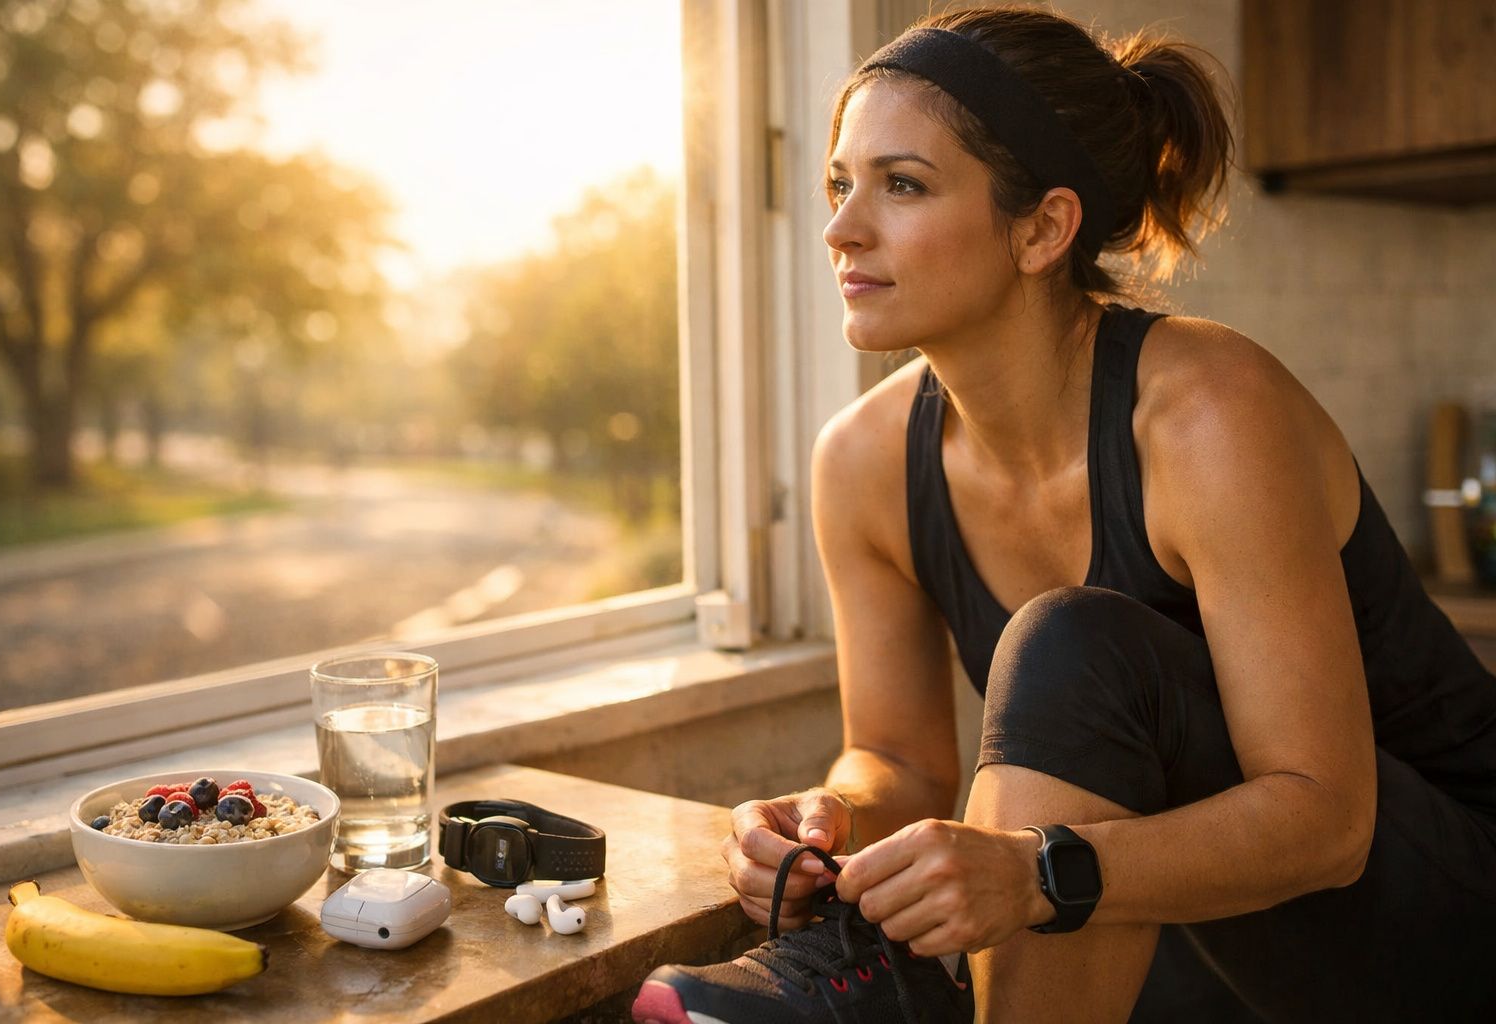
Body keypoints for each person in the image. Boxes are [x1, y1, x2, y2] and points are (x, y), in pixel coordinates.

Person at [631, 6, 1496, 1024]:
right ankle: (879, 972)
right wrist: (837, 816)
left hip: (1442, 914)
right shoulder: (862, 462)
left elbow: (1327, 821)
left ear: (1043, 227)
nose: (840, 228)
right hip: (1193, 917)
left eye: (901, 184)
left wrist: (1033, 873)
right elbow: (903, 763)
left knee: (1074, 639)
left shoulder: (1206, 411)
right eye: (839, 182)